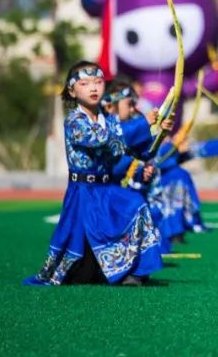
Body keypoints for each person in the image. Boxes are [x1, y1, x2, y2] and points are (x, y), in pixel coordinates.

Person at [26, 62, 169, 286]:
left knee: (136, 204)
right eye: (85, 83)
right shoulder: (74, 121)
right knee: (78, 265)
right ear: (72, 91)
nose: (93, 88)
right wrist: (143, 124)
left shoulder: (110, 120)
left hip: (106, 189)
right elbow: (103, 138)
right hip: (83, 193)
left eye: (98, 82)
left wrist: (157, 130)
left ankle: (137, 272)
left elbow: (132, 149)